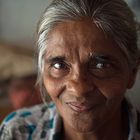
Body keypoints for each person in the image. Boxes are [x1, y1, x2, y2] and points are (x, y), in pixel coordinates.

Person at [0, 0, 140, 139]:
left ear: (132, 72)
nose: (79, 89)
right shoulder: (19, 132)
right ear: (43, 70)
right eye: (59, 66)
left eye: (100, 66)